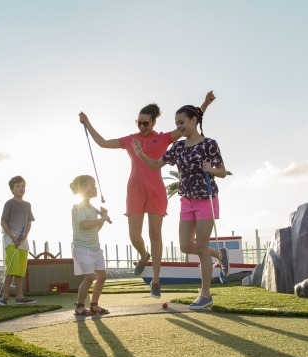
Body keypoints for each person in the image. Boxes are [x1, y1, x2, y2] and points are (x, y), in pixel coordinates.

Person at [78, 91, 215, 300]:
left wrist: (205, 104)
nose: (142, 127)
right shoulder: (129, 140)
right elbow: (103, 143)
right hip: (134, 190)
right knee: (134, 236)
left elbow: (187, 122)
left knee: (155, 235)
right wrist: (87, 123)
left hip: (156, 190)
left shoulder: (163, 139)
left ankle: (156, 281)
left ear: (153, 123)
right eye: (139, 123)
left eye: (146, 124)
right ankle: (144, 255)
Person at [132, 105, 226, 311]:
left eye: (182, 122)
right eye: (176, 124)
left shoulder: (209, 144)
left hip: (206, 200)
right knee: (185, 246)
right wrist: (140, 155)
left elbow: (223, 171)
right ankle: (219, 254)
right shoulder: (179, 147)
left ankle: (205, 295)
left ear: (194, 120)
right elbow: (157, 165)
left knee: (200, 247)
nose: (179, 127)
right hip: (186, 201)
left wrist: (212, 170)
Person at [70, 175, 111, 315]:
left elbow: (95, 229)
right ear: (82, 189)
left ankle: (94, 305)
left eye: (95, 185)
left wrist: (102, 219)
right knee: (88, 278)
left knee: (102, 276)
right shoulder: (78, 207)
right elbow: (85, 225)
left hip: (95, 247)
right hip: (83, 248)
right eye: (92, 185)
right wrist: (103, 218)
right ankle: (80, 306)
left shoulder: (93, 208)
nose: (95, 188)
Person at [0, 176, 38, 305]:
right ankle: (4, 297)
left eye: (23, 186)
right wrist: (13, 236)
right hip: (11, 240)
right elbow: (3, 223)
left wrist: (25, 234)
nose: (21, 189)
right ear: (12, 189)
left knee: (20, 270)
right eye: (18, 186)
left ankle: (20, 297)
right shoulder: (9, 203)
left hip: (23, 241)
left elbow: (29, 222)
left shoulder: (27, 205)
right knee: (11, 269)